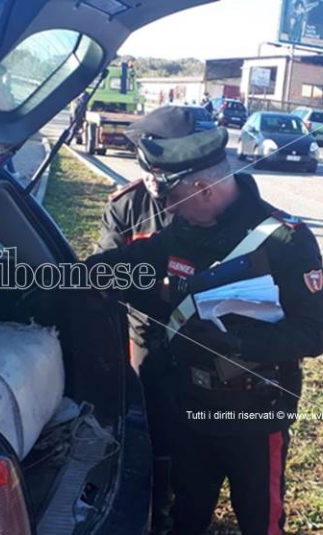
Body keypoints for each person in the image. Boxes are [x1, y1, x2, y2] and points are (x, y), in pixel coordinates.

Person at [87, 124, 323, 534]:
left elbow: (316, 333)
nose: (166, 208)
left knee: (261, 520)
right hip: (190, 407)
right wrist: (73, 275)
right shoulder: (184, 229)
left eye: (171, 197)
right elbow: (129, 260)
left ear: (205, 189)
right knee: (187, 515)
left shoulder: (285, 241)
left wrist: (236, 343)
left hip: (255, 413)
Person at [96, 106, 201, 533]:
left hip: (201, 341)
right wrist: (156, 290)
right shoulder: (126, 205)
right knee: (149, 427)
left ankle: (189, 507)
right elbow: (106, 272)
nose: (161, 183)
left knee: (197, 435)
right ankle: (155, 510)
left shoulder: (209, 204)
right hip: (144, 335)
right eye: (153, 171)